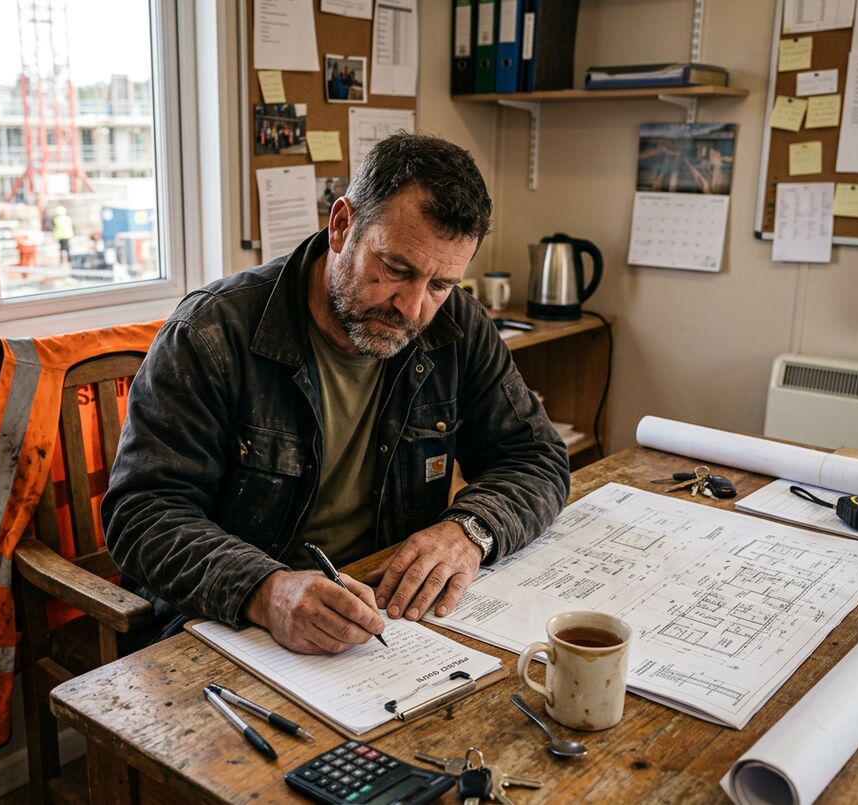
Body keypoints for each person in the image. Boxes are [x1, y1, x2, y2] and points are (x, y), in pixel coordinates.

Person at [103, 133, 571, 655]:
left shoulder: (456, 326)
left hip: (384, 613)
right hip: (227, 621)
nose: (414, 309)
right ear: (343, 225)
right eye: (397, 269)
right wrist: (266, 589)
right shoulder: (211, 333)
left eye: (440, 285)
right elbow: (142, 515)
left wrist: (469, 531)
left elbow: (536, 456)